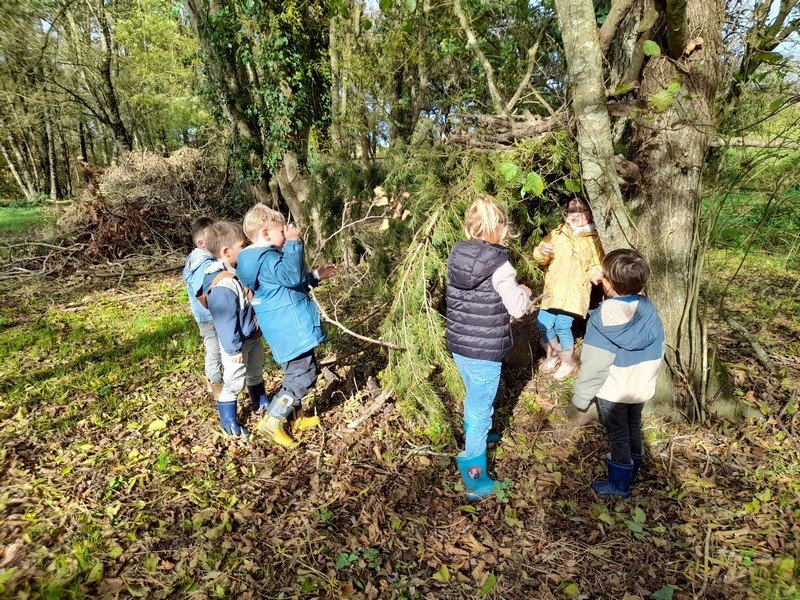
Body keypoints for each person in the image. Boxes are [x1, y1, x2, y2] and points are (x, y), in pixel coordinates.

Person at [445, 195, 532, 500]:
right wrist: (524, 291)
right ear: (501, 227)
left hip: (460, 343)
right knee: (481, 407)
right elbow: (517, 308)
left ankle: (479, 435)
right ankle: (476, 480)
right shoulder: (500, 265)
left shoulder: (457, 255)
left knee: (475, 398)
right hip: (484, 349)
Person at [236, 204, 336, 449]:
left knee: (299, 371)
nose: (286, 233)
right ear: (266, 233)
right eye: (282, 231)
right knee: (302, 375)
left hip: (284, 326)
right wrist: (293, 244)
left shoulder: (256, 260)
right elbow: (291, 277)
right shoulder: (268, 259)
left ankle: (295, 418)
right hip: (291, 327)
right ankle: (273, 421)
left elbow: (285, 285)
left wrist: (314, 277)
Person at [571, 249, 665, 500]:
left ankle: (619, 485)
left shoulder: (601, 318)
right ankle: (633, 469)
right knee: (633, 425)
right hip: (641, 384)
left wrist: (581, 396)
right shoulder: (647, 308)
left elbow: (595, 363)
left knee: (618, 434)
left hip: (614, 389)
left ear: (607, 283)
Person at [197, 221, 265, 438]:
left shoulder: (235, 273)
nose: (245, 249)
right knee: (234, 381)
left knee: (255, 369)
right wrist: (233, 349)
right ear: (227, 252)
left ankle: (260, 402)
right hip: (235, 345)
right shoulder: (222, 285)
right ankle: (228, 422)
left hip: (250, 336)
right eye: (242, 246)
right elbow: (225, 321)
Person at [532, 198, 605, 380]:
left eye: (582, 210)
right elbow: (541, 257)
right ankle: (553, 355)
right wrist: (541, 252)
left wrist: (596, 274)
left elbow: (595, 264)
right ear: (565, 214)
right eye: (572, 211)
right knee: (543, 322)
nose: (577, 215)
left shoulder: (593, 239)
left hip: (575, 293)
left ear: (591, 213)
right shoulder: (558, 233)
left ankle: (569, 362)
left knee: (562, 326)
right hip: (553, 290)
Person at [182, 217, 222, 399]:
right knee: (215, 350)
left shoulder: (195, 260)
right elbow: (203, 292)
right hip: (209, 316)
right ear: (201, 243)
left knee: (214, 348)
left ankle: (211, 382)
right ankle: (216, 386)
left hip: (207, 315)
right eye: (213, 237)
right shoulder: (204, 265)